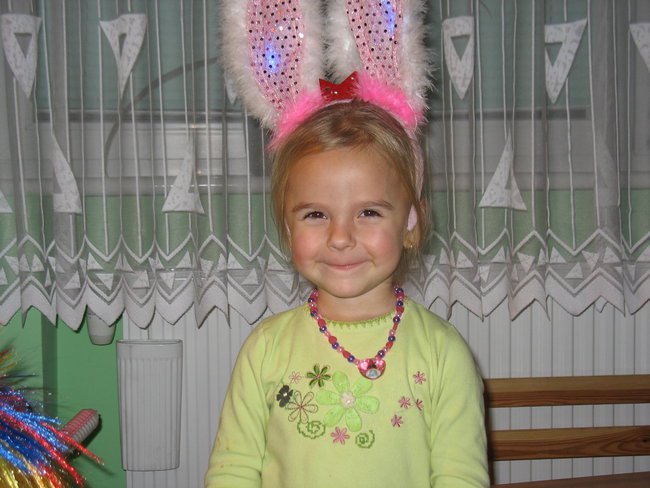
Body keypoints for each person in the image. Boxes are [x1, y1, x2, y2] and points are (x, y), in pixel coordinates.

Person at [204, 99, 489, 487]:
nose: (340, 238)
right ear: (288, 228)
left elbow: (461, 477)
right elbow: (232, 470)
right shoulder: (265, 350)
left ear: (410, 222)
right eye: (315, 214)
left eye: (368, 212)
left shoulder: (443, 354)